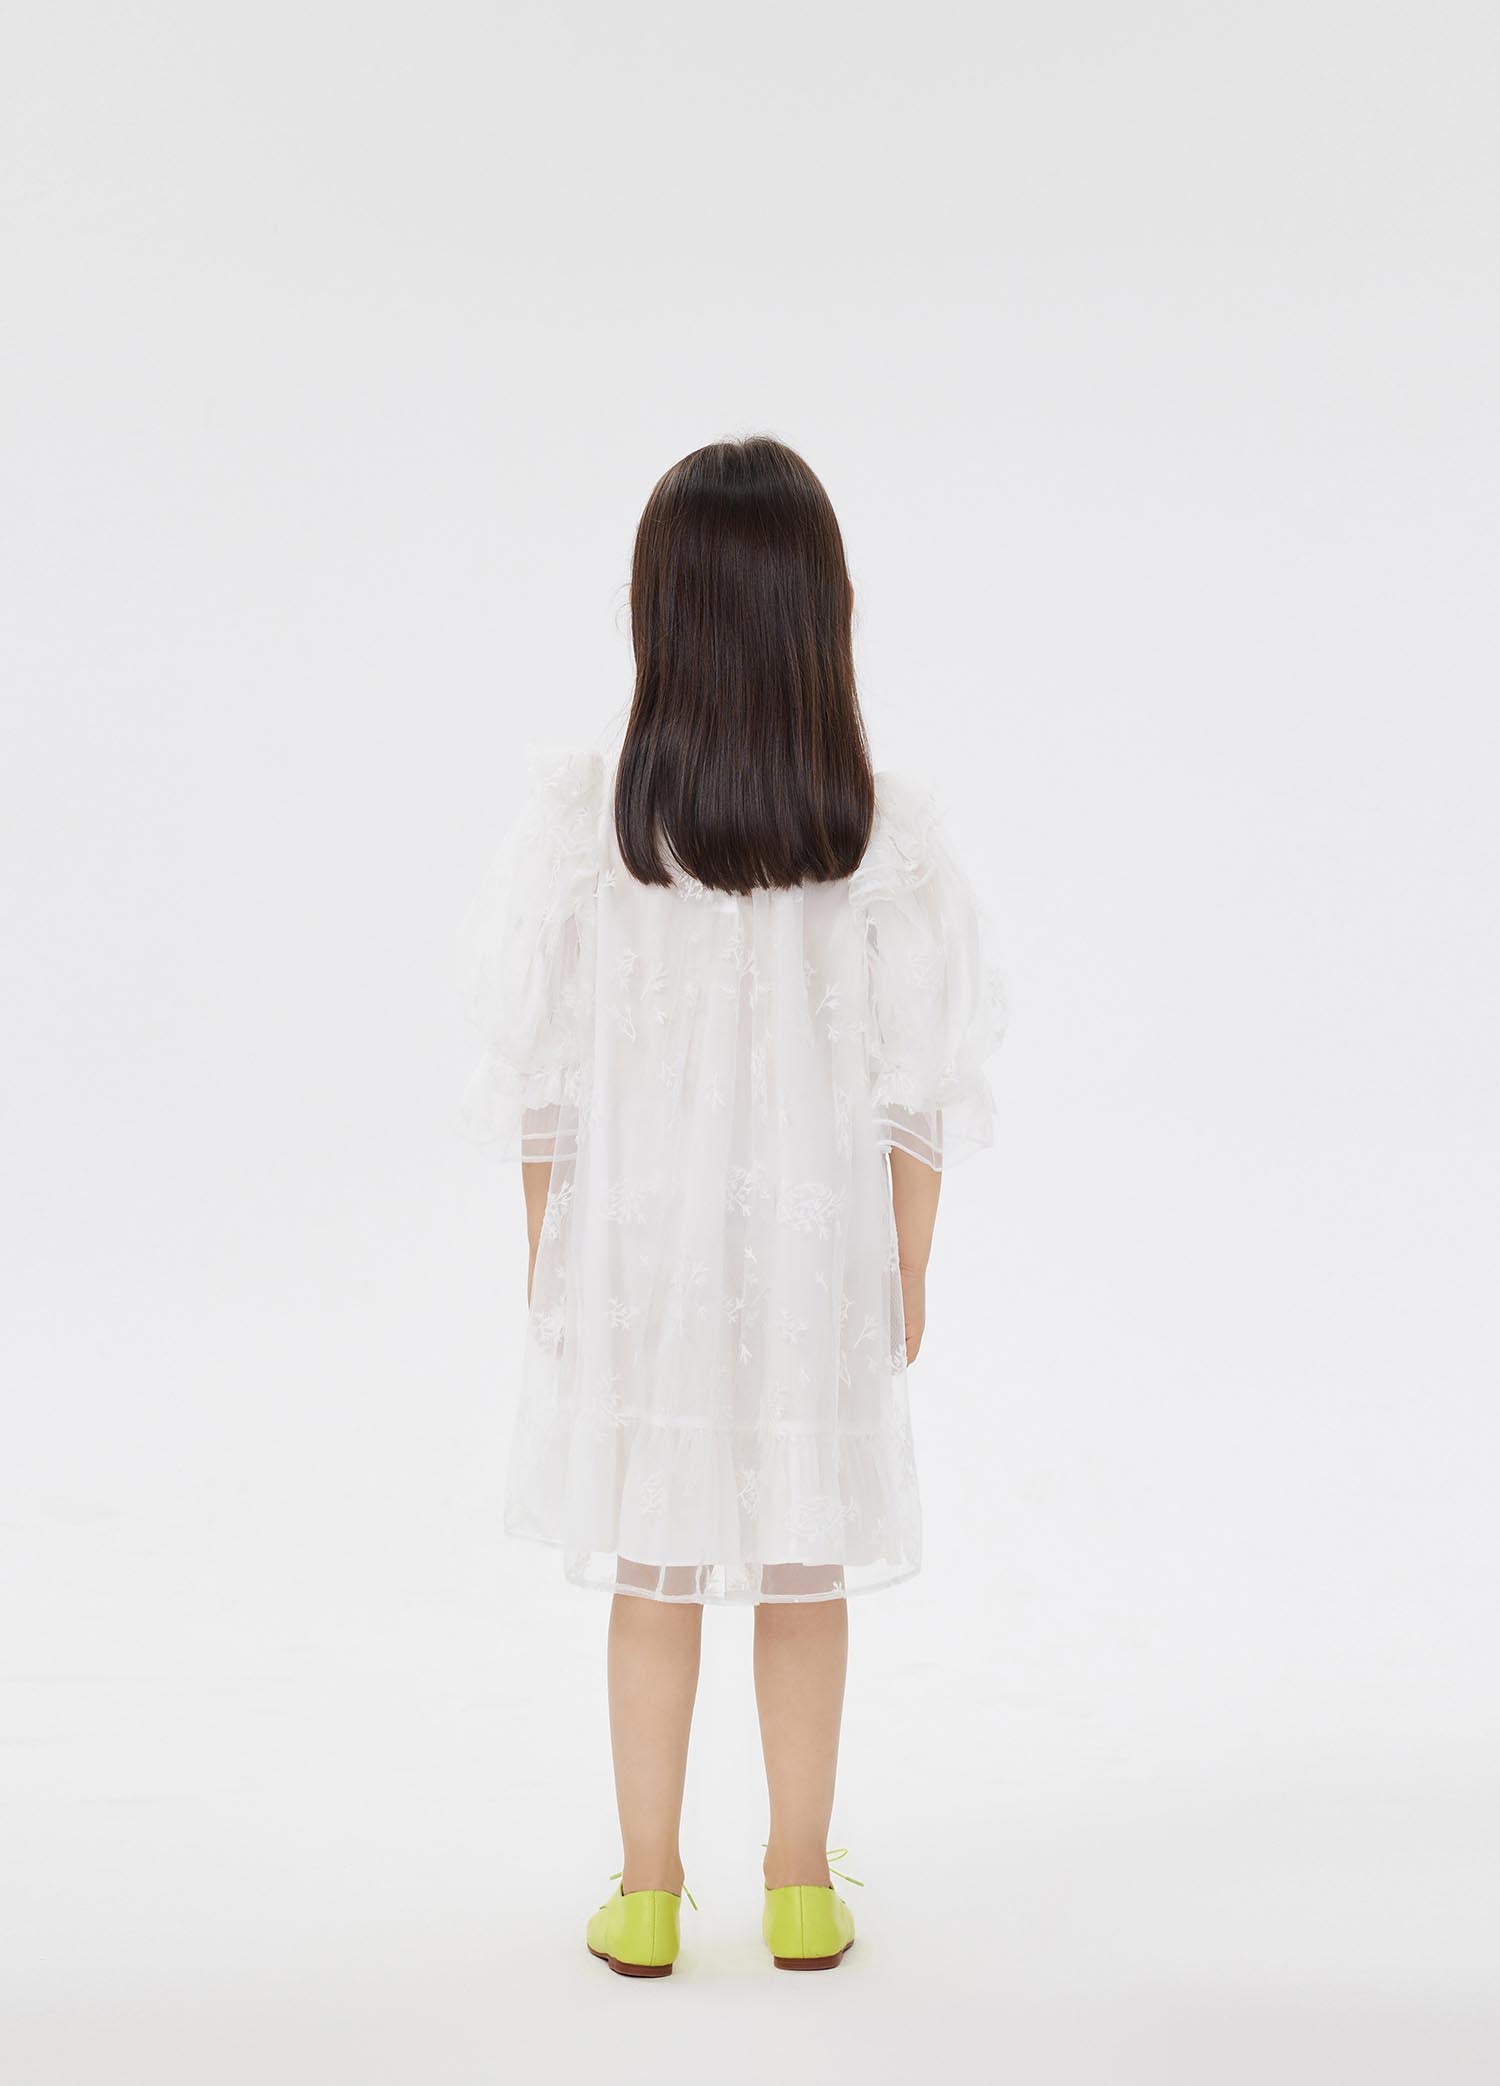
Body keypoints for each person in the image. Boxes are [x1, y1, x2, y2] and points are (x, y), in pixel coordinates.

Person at [466, 435, 1005, 1977]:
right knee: (801, 1564)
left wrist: (550, 1267)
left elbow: (542, 1078)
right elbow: (917, 1080)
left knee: (653, 1569)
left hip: (643, 1261)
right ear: (823, 617)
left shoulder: (592, 832)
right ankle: (798, 1885)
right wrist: (906, 1268)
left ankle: (645, 1892)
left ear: (659, 618)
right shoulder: (878, 840)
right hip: (814, 1256)